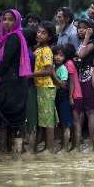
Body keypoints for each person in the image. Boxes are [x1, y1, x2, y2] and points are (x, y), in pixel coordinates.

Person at [0, 9, 32, 160]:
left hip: (10, 86)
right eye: (5, 19)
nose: (7, 22)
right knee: (17, 121)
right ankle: (17, 159)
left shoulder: (13, 38)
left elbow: (5, 63)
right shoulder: (14, 37)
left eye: (11, 19)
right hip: (18, 84)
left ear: (17, 21)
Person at [32, 21, 58, 154]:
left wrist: (30, 74)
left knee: (48, 119)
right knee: (43, 117)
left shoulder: (47, 50)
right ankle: (46, 146)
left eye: (43, 33)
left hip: (46, 87)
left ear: (49, 37)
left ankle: (49, 148)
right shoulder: (38, 49)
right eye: (38, 32)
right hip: (40, 86)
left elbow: (48, 71)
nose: (39, 35)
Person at [74, 19, 94, 150]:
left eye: (84, 28)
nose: (80, 30)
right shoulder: (82, 42)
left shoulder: (91, 42)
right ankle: (79, 143)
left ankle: (92, 143)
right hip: (79, 77)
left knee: (90, 111)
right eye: (79, 28)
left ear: (90, 30)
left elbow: (81, 54)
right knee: (81, 111)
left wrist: (87, 37)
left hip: (88, 77)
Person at [52, 45, 72, 152]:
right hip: (56, 97)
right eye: (56, 55)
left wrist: (53, 74)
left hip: (63, 97)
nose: (58, 57)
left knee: (65, 124)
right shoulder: (54, 67)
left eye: (61, 55)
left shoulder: (63, 68)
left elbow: (64, 85)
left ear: (65, 57)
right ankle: (61, 146)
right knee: (59, 124)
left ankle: (65, 148)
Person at [63, 43, 83, 151]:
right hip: (77, 95)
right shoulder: (70, 62)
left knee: (76, 122)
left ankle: (77, 147)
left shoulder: (69, 63)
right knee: (75, 122)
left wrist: (70, 97)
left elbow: (71, 82)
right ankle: (75, 146)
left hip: (75, 95)